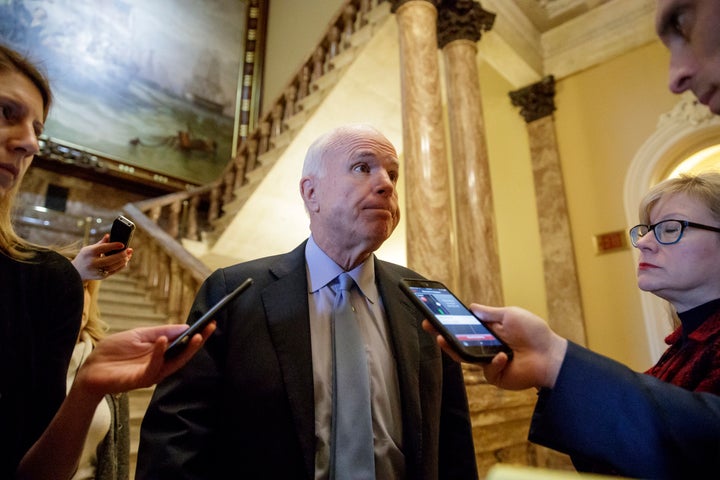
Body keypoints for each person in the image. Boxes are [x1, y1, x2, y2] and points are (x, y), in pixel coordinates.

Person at [424, 1, 720, 477]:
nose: (642, 244)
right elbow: (638, 445)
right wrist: (547, 364)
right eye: (645, 230)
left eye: (670, 229)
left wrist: (556, 358)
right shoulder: (683, 347)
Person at [135, 124, 479, 479]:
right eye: (363, 168)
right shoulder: (234, 292)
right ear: (311, 193)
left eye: (392, 174)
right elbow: (175, 438)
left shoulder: (424, 297)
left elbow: (454, 445)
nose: (387, 185)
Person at [1, 43, 215, 480]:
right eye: (7, 112)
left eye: (37, 128)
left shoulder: (43, 284)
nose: (29, 143)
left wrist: (87, 386)